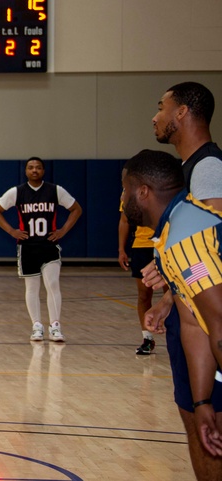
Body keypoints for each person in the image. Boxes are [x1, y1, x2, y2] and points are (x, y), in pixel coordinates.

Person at [139, 82, 222, 480]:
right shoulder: (188, 171)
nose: (155, 116)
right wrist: (170, 295)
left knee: (209, 430)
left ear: (183, 113)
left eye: (161, 107)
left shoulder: (207, 169)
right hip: (195, 317)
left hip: (212, 324)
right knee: (196, 417)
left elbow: (211, 257)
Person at [122, 149, 222, 471]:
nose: (123, 200)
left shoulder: (185, 237)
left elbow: (219, 321)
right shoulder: (170, 235)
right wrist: (202, 399)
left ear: (143, 192)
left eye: (125, 190)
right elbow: (194, 323)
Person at [0, 157, 82, 342]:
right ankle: (36, 325)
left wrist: (63, 230)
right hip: (27, 246)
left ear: (43, 171)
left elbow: (76, 209)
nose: (34, 170)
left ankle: (55, 325)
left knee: (53, 284)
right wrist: (11, 231)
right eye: (31, 168)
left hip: (48, 245)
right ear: (25, 171)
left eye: (38, 167)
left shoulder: (55, 190)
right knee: (32, 287)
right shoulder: (17, 192)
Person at [117, 207, 157, 354]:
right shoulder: (130, 189)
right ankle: (147, 338)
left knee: (172, 296)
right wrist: (121, 249)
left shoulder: (167, 186)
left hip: (165, 243)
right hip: (142, 245)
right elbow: (124, 220)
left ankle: (178, 336)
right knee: (144, 295)